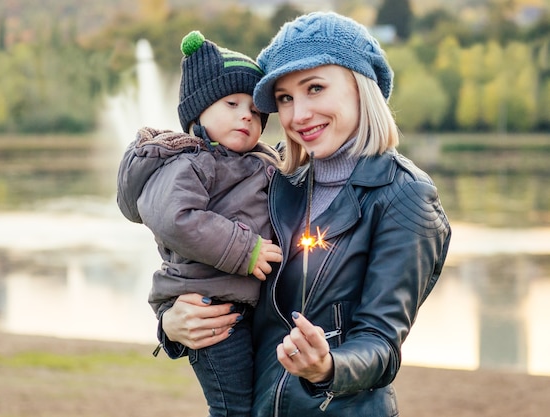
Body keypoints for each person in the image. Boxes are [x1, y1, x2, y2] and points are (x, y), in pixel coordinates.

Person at [158, 12, 452, 417]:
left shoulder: (406, 197)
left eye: (315, 88)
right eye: (285, 98)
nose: (298, 115)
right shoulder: (271, 178)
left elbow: (381, 344)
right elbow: (193, 262)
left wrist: (328, 367)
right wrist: (171, 325)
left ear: (360, 86)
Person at [116, 30, 283, 417]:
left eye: (257, 112)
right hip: (210, 306)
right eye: (232, 103)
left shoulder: (258, 162)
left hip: (243, 304)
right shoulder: (189, 162)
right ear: (198, 111)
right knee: (233, 408)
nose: (247, 115)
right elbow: (176, 219)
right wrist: (246, 249)